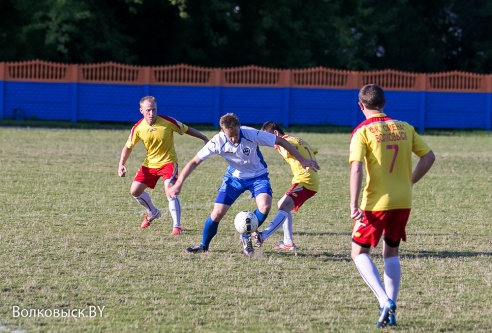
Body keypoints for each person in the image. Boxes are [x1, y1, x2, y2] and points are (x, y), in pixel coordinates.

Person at [168, 113, 320, 256]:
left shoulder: (251, 133)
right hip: (233, 179)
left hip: (258, 177)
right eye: (230, 136)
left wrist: (302, 160)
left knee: (265, 206)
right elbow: (194, 161)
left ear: (239, 127)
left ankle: (245, 235)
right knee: (217, 213)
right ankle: (203, 245)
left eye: (236, 134)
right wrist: (179, 183)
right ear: (223, 131)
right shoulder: (217, 142)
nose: (234, 139)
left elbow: (280, 140)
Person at [349, 84, 435, 328]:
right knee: (391, 252)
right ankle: (391, 310)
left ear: (361, 106)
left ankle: (383, 300)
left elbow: (356, 168)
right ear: (384, 103)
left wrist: (353, 203)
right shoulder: (405, 127)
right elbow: (429, 156)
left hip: (376, 203)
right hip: (403, 201)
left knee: (359, 252)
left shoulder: (362, 131)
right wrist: (410, 182)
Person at [118, 96, 209, 235]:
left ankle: (177, 227)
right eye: (148, 110)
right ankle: (152, 213)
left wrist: (204, 138)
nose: (151, 113)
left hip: (168, 163)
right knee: (135, 191)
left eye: (154, 109)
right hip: (149, 164)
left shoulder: (168, 122)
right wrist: (121, 164)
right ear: (141, 110)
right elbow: (128, 147)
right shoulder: (138, 128)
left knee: (170, 191)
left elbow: (187, 129)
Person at [250, 122, 319, 251]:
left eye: (269, 139)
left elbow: (290, 147)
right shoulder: (296, 139)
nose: (271, 144)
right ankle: (288, 242)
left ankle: (263, 236)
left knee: (283, 206)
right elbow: (311, 149)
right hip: (307, 179)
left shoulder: (285, 142)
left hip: (306, 181)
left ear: (275, 134)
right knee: (282, 204)